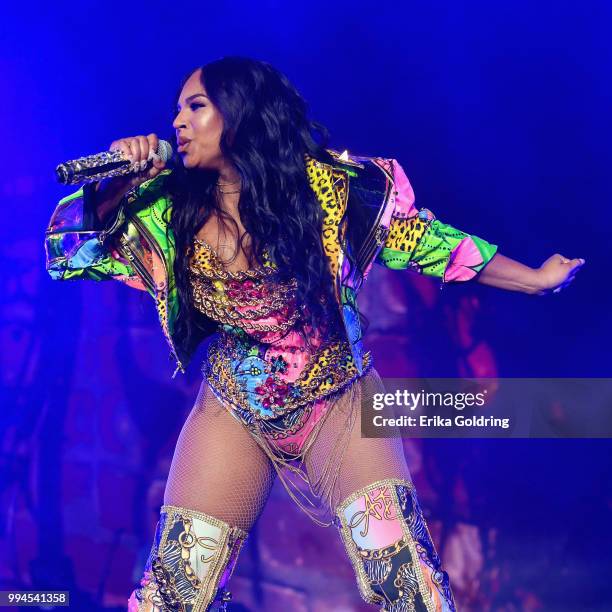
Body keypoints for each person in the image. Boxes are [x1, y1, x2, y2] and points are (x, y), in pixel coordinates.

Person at [44, 56, 584, 611]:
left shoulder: (329, 190)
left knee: (409, 589)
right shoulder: (165, 208)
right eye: (176, 111)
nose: (177, 122)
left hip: (340, 404)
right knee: (175, 594)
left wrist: (534, 281)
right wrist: (116, 184)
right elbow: (66, 258)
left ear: (241, 111)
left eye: (195, 106)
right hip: (234, 407)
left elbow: (429, 242)